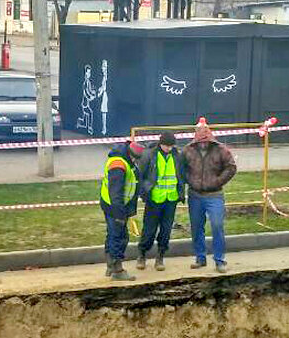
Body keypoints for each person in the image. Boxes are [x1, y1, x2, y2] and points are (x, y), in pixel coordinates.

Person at [182, 117, 237, 273]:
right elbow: (182, 169)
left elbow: (231, 167)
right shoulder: (187, 150)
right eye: (200, 140)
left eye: (205, 139)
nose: (203, 143)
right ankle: (200, 258)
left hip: (215, 195)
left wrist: (218, 181)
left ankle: (219, 260)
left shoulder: (221, 150)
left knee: (217, 225)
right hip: (195, 195)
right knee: (197, 227)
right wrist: (190, 180)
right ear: (195, 139)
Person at [136, 131, 184, 271]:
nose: (169, 148)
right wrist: (146, 191)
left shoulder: (177, 156)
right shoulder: (149, 155)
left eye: (171, 146)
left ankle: (160, 256)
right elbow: (141, 176)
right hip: (154, 199)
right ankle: (142, 254)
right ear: (160, 144)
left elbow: (181, 174)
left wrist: (180, 191)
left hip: (171, 199)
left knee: (166, 230)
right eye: (166, 146)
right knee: (149, 229)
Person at [99, 139, 146, 281]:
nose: (135, 161)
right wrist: (119, 214)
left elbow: (132, 185)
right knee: (119, 236)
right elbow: (116, 191)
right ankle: (117, 270)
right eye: (135, 159)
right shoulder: (118, 165)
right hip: (114, 206)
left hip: (115, 205)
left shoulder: (126, 161)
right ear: (130, 154)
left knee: (113, 235)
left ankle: (110, 266)